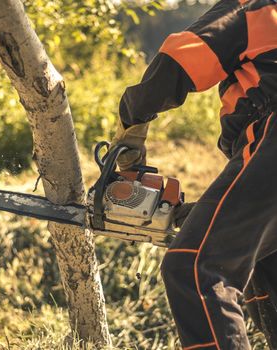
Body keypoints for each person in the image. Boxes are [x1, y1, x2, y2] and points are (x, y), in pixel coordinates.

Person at [110, 0, 277, 348]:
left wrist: (132, 120)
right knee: (267, 278)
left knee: (197, 270)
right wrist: (203, 213)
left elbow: (182, 57)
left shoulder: (256, 7)